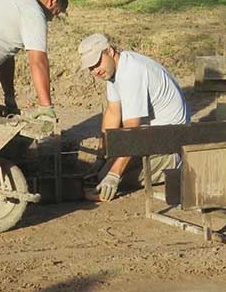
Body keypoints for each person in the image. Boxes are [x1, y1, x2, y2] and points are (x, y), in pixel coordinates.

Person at [78, 33, 190, 201]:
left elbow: (133, 130)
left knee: (113, 179)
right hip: (153, 137)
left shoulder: (132, 73)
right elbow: (113, 113)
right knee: (103, 173)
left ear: (109, 51)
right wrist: (100, 158)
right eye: (91, 67)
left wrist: (114, 175)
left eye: (97, 63)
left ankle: (176, 167)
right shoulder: (115, 72)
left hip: (172, 146)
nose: (95, 70)